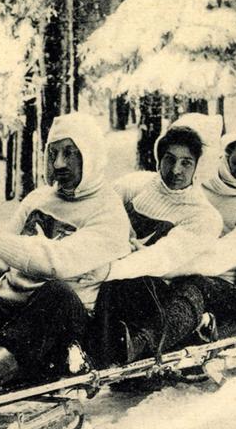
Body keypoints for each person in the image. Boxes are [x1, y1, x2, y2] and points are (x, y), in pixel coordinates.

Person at [0, 112, 131, 404]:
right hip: (9, 310)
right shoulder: (38, 199)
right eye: (53, 153)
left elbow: (59, 262)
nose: (59, 163)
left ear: (92, 155)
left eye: (71, 153)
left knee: (58, 293)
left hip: (66, 326)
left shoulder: (108, 212)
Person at [91, 114, 224, 365]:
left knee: (118, 285)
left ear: (199, 166)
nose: (175, 170)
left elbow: (163, 257)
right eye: (169, 159)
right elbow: (96, 214)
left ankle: (110, 352)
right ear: (158, 157)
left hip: (154, 293)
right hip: (107, 274)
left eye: (186, 163)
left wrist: (112, 267)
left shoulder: (204, 216)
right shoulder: (134, 185)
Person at [156, 114, 236, 340]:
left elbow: (220, 257)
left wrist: (156, 265)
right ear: (229, 148)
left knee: (190, 289)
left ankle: (140, 349)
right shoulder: (198, 173)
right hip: (163, 263)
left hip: (218, 284)